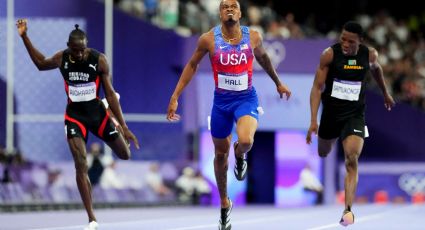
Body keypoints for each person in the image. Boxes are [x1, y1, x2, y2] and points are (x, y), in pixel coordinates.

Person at [166, 1, 291, 229]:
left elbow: (263, 59)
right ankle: (224, 203)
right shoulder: (208, 39)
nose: (230, 9)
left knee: (245, 141)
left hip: (246, 99)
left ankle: (241, 155)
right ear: (220, 13)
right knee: (220, 156)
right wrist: (175, 96)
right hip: (221, 103)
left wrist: (278, 83)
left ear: (240, 12)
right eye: (225, 7)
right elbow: (192, 65)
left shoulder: (252, 36)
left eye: (234, 6)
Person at [16, 19, 140, 230]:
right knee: (80, 163)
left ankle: (110, 118)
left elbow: (110, 92)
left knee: (124, 154)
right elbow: (40, 64)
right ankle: (92, 218)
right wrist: (25, 37)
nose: (80, 54)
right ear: (69, 47)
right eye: (76, 51)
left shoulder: (99, 60)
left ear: (86, 47)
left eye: (82, 50)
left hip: (98, 115)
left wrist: (124, 125)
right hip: (75, 116)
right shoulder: (62, 58)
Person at [306, 21, 395, 226]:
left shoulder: (369, 55)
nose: (345, 44)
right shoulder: (329, 55)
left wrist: (385, 93)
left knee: (351, 158)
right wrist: (313, 120)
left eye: (351, 41)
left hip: (354, 114)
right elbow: (317, 87)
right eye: (343, 39)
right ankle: (330, 139)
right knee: (323, 152)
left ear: (360, 41)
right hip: (331, 114)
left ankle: (347, 210)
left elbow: (376, 70)